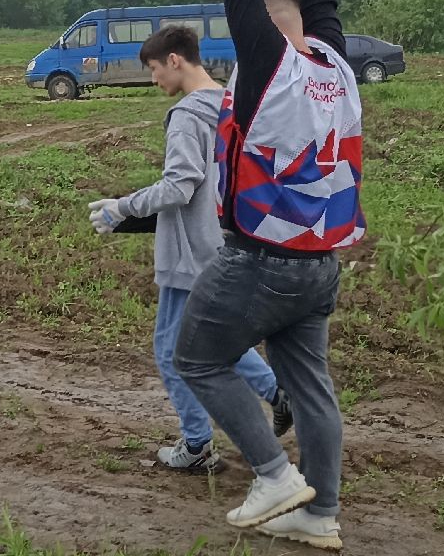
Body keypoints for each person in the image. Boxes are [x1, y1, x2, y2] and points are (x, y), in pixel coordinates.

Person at [174, 0, 364, 551]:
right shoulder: (334, 62)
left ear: (260, 23)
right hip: (321, 262)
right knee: (311, 387)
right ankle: (320, 515)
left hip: (261, 258)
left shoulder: (267, 63)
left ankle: (274, 475)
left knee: (196, 358)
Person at [86, 25, 293, 474]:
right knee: (214, 340)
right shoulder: (234, 107)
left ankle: (197, 445)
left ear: (175, 61)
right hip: (230, 243)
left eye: (155, 69)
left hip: (190, 255)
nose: (153, 79)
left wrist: (122, 207)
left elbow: (180, 185)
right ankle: (280, 392)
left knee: (171, 350)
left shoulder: (186, 115)